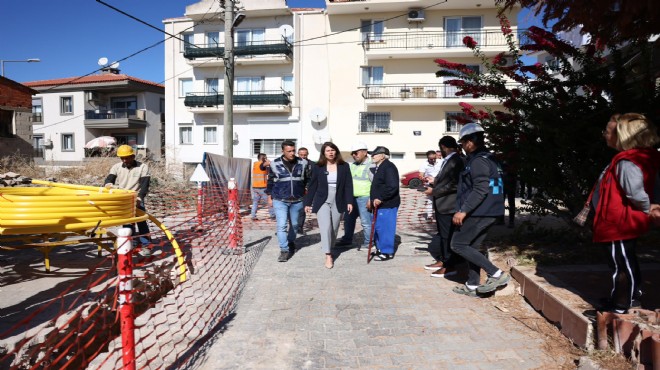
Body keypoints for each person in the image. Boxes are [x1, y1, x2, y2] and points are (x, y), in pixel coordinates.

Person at [589, 113, 660, 313]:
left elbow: (635, 192)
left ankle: (622, 304)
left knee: (620, 264)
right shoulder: (633, 158)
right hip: (619, 221)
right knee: (626, 261)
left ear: (624, 136)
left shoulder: (627, 162)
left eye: (609, 132)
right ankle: (628, 296)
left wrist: (648, 208)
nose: (604, 135)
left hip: (618, 223)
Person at [450, 123, 510, 297]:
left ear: (470, 142)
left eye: (462, 143)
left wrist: (463, 210)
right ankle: (472, 285)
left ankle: (497, 274)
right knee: (473, 247)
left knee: (458, 244)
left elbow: (480, 189)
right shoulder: (490, 158)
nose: (462, 147)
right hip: (490, 210)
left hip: (481, 211)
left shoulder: (478, 161)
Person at [304, 142, 354, 269]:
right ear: (323, 153)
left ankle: (329, 245)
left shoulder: (344, 166)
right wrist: (308, 203)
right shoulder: (318, 166)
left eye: (332, 150)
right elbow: (313, 185)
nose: (330, 152)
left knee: (334, 227)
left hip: (339, 198)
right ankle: (328, 255)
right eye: (327, 151)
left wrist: (349, 201)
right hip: (322, 200)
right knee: (325, 227)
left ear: (336, 152)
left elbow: (348, 185)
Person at [423, 136, 464, 277]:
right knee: (443, 235)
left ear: (444, 147)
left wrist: (434, 191)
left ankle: (450, 265)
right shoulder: (449, 161)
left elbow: (455, 184)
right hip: (443, 204)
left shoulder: (456, 160)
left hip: (449, 205)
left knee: (447, 236)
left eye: (440, 149)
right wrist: (435, 181)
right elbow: (447, 180)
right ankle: (443, 260)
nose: (439, 153)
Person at [104, 144, 152, 256]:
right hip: (124, 198)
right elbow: (109, 179)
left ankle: (146, 245)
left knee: (141, 221)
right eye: (122, 158)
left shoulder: (142, 167)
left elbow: (145, 185)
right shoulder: (116, 167)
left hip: (136, 197)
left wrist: (140, 197)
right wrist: (108, 184)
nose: (125, 160)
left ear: (133, 156)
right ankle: (131, 243)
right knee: (127, 223)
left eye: (127, 157)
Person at [266, 140, 310, 262]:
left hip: (297, 200)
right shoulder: (275, 163)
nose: (292, 153)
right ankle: (284, 250)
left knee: (295, 225)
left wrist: (306, 189)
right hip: (280, 199)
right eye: (289, 151)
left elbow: (307, 178)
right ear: (283, 151)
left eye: (293, 151)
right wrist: (269, 196)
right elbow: (270, 181)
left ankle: (291, 242)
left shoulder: (303, 163)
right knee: (281, 226)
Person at [335, 141, 373, 251]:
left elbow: (376, 184)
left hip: (364, 198)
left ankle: (369, 243)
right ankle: (347, 240)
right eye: (353, 153)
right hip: (352, 199)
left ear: (365, 152)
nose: (353, 155)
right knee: (348, 220)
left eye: (356, 153)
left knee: (366, 222)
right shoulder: (353, 166)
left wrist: (371, 199)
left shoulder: (371, 165)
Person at [368, 146, 400, 261]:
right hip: (378, 204)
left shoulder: (389, 167)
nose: (372, 156)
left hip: (387, 204)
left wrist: (381, 198)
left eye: (374, 154)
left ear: (382, 155)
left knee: (386, 227)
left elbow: (393, 187)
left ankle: (387, 252)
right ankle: (380, 248)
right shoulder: (379, 167)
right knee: (378, 227)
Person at [419, 150, 443, 219]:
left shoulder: (441, 162)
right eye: (431, 159)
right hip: (429, 185)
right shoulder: (424, 164)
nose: (433, 160)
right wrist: (423, 178)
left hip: (440, 184)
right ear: (427, 158)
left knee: (440, 199)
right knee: (430, 200)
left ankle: (439, 214)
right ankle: (429, 215)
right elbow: (421, 175)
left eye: (434, 158)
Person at [251, 153, 275, 220]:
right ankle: (273, 215)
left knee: (255, 202)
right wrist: (267, 160)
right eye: (265, 157)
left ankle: (253, 215)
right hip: (262, 187)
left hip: (255, 186)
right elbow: (270, 163)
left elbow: (265, 171)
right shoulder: (261, 164)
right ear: (263, 158)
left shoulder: (255, 164)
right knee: (269, 201)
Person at [297, 147, 313, 235]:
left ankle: (299, 227)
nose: (303, 157)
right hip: (294, 191)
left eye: (305, 155)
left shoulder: (312, 164)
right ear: (298, 154)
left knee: (302, 210)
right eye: (301, 155)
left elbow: (314, 178)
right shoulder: (294, 164)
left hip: (306, 191)